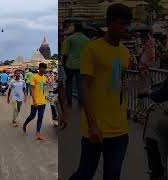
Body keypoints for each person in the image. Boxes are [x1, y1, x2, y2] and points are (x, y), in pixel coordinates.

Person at [69, 4, 132, 180]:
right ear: (109, 23)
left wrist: (123, 107)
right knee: (85, 174)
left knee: (112, 176)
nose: (125, 28)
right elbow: (85, 87)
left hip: (119, 129)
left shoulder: (125, 53)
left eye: (128, 24)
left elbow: (116, 85)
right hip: (95, 129)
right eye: (121, 24)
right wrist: (93, 124)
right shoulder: (92, 49)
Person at [64, 23, 89, 107]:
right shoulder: (86, 40)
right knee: (80, 84)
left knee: (69, 83)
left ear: (74, 29)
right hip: (81, 65)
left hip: (70, 64)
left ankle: (69, 102)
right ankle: (80, 102)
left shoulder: (70, 38)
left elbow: (66, 53)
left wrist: (64, 63)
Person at [23, 63, 47, 140]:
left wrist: (44, 97)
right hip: (35, 102)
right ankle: (25, 124)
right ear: (40, 68)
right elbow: (32, 89)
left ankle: (38, 133)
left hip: (43, 102)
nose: (45, 70)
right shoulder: (34, 77)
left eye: (45, 69)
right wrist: (34, 101)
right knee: (32, 116)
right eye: (44, 69)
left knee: (40, 117)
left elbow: (42, 89)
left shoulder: (44, 78)